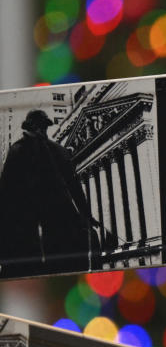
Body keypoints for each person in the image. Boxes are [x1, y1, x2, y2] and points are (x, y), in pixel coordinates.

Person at [0, 109, 103, 277]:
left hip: (51, 219)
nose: (42, 130)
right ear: (33, 127)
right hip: (38, 221)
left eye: (43, 127)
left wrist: (86, 214)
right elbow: (6, 193)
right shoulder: (21, 150)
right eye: (39, 127)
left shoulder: (54, 151)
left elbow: (74, 185)